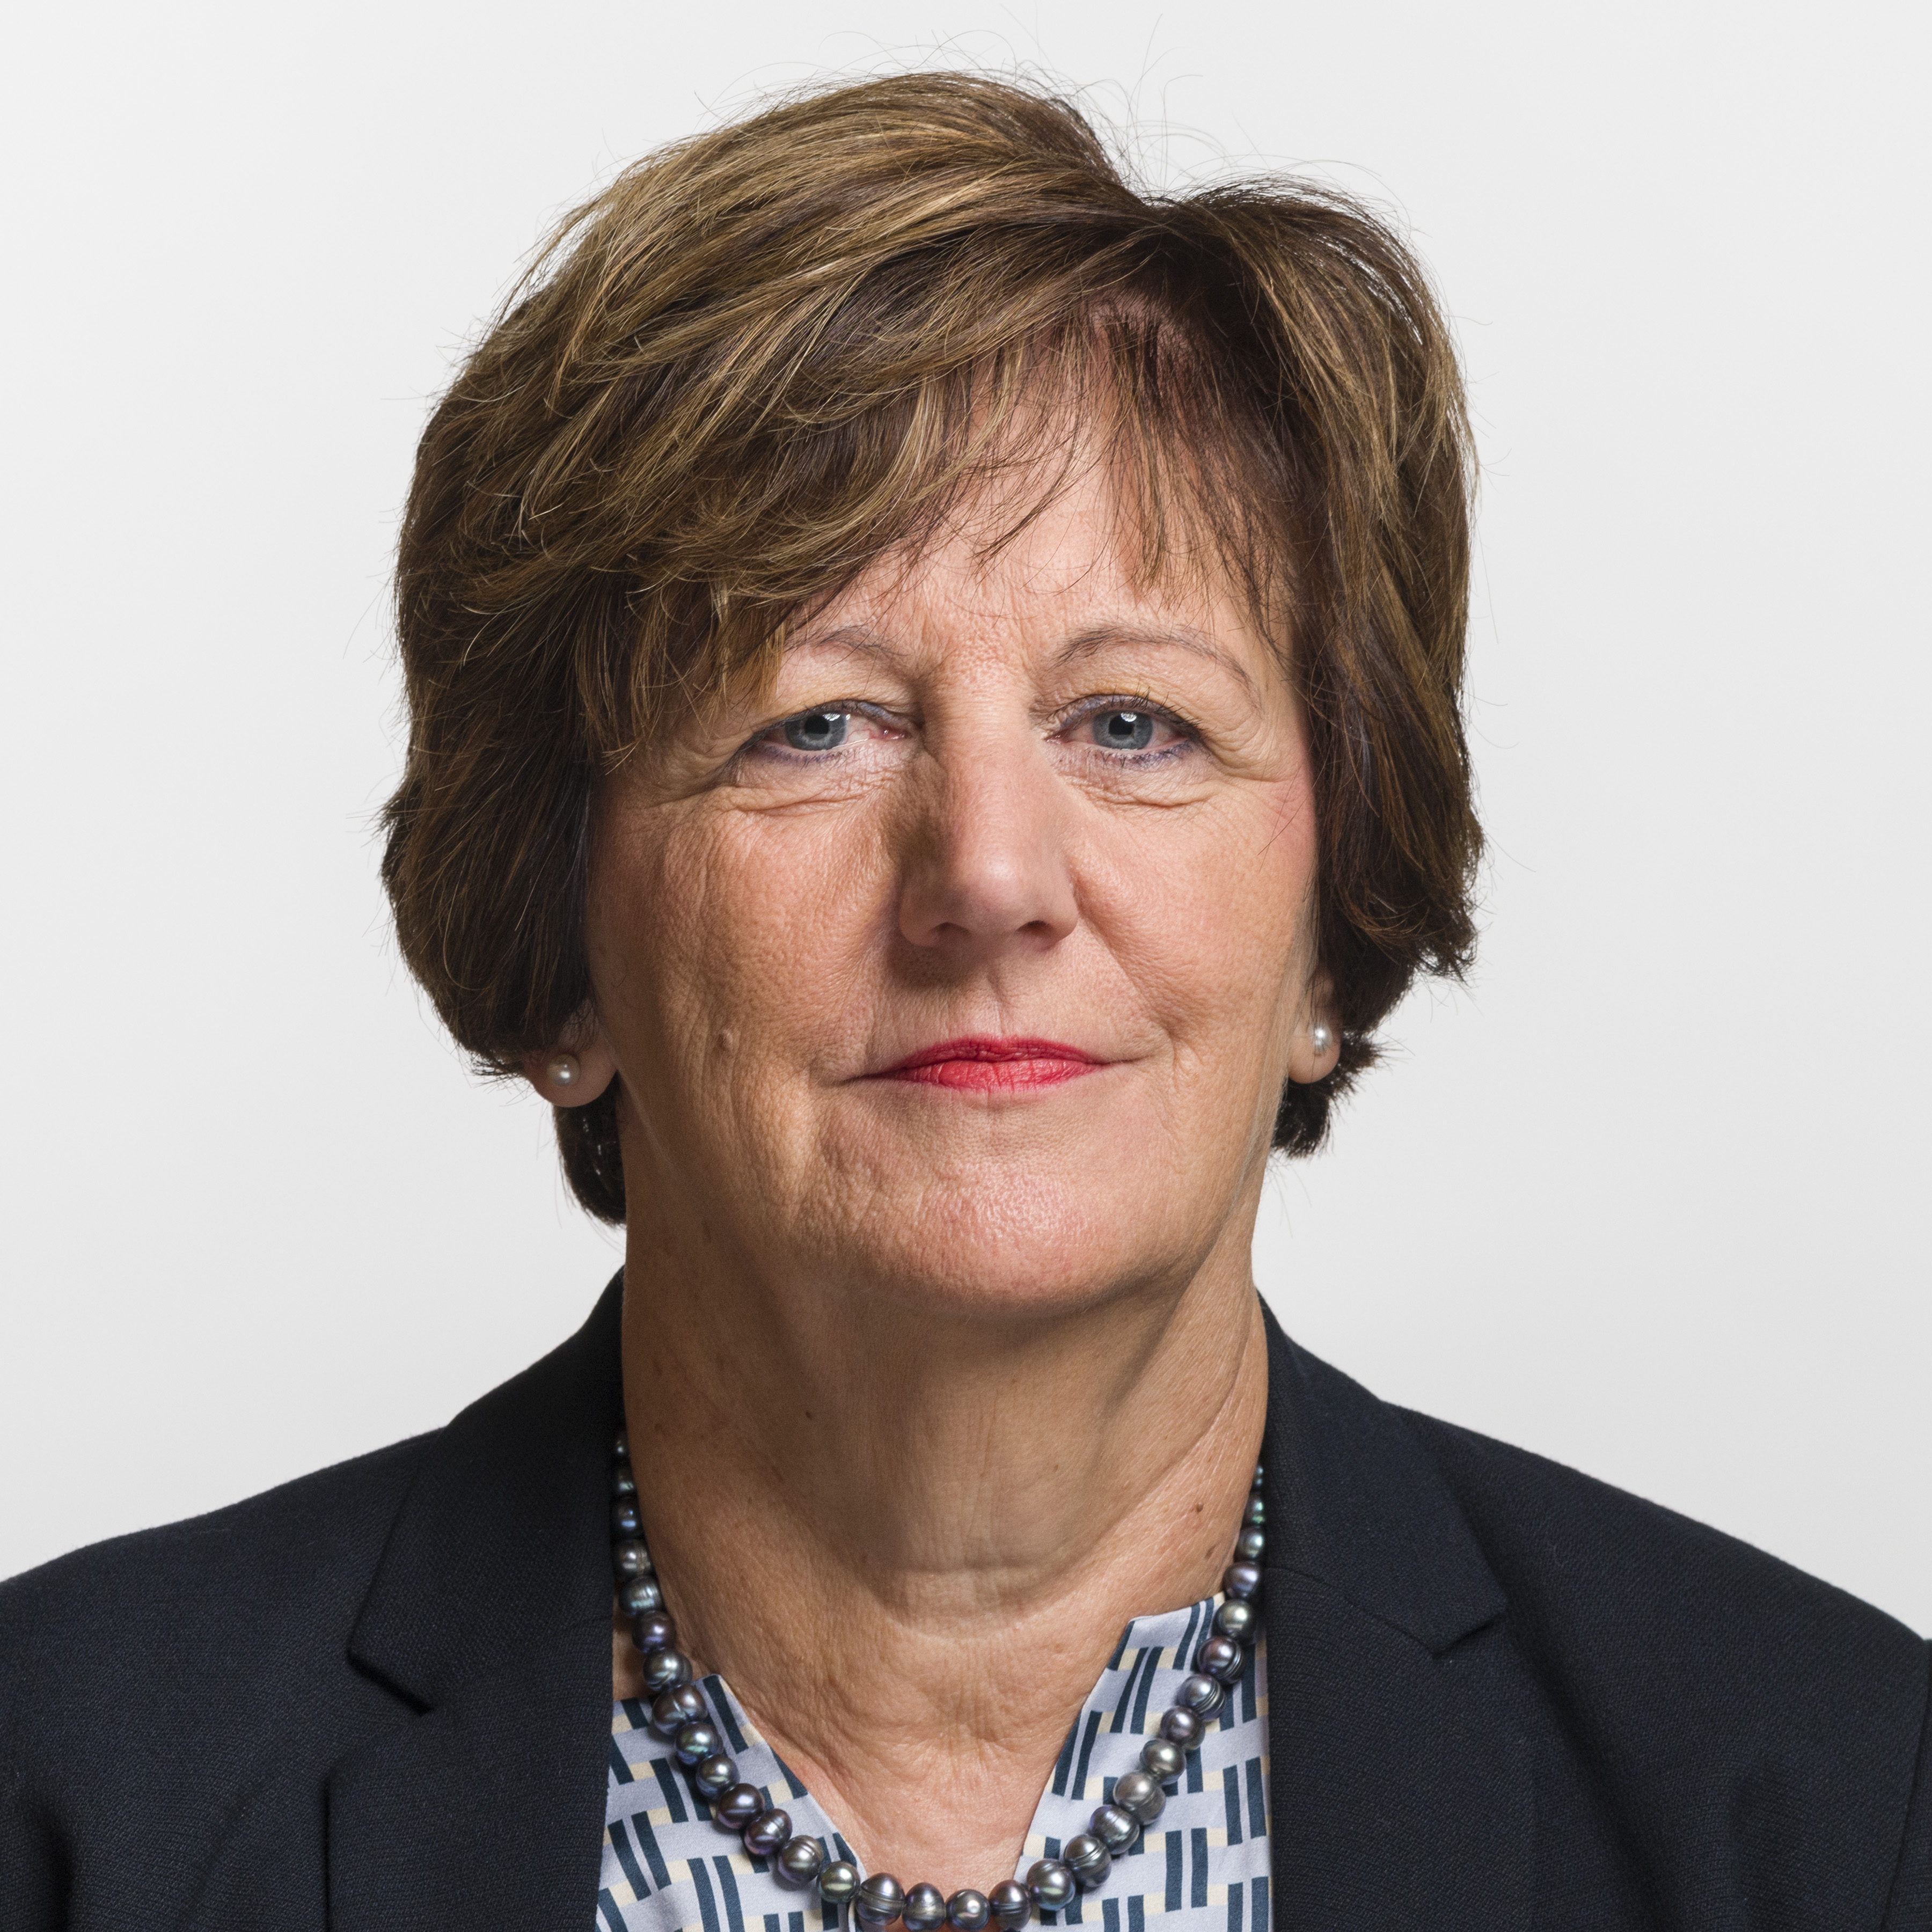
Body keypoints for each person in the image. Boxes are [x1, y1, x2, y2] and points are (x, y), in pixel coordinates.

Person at [1, 71, 1925, 1932]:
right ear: (555, 943)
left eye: (1134, 724)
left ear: (1334, 934)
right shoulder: (66, 1801)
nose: (991, 875)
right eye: (816, 725)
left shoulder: (1838, 1813)